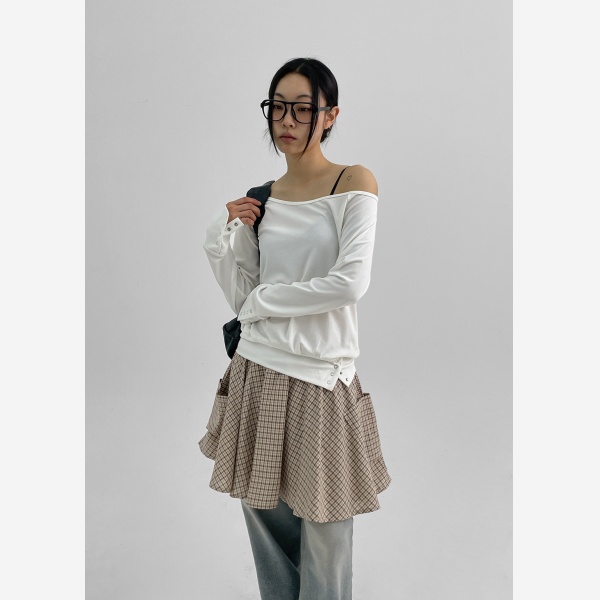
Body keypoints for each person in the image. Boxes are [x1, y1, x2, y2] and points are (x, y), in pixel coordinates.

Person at [199, 57, 391, 600]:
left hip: (321, 379)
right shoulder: (263, 196)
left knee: (326, 527)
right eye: (278, 106)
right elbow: (243, 298)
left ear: (329, 116)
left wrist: (265, 301)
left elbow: (350, 283)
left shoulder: (353, 181)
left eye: (302, 108)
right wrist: (222, 230)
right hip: (258, 370)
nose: (286, 119)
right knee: (266, 521)